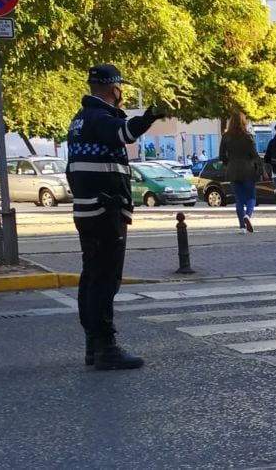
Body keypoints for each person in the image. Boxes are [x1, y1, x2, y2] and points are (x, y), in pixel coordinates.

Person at [66, 64, 166, 370]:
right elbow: (124, 133)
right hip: (104, 208)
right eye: (120, 87)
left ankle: (93, 344)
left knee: (92, 275)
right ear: (114, 89)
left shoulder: (81, 119)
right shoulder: (99, 117)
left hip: (90, 208)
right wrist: (149, 117)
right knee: (106, 278)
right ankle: (105, 346)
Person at [219, 113, 259, 234]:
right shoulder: (248, 137)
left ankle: (242, 226)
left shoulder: (226, 137)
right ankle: (248, 215)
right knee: (251, 197)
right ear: (243, 122)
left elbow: (222, 156)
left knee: (239, 199)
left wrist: (228, 164)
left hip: (233, 170)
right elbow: (254, 155)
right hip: (248, 169)